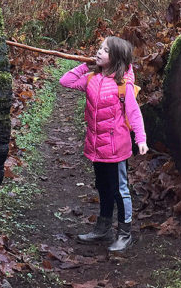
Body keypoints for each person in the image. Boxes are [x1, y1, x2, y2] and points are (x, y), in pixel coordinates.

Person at [59, 36, 148, 253]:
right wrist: (84, 65)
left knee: (120, 190)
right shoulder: (92, 79)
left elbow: (134, 112)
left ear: (116, 58)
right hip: (96, 147)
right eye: (99, 48)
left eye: (104, 50)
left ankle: (125, 234)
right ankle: (103, 227)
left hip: (117, 148)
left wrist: (141, 138)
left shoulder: (123, 84)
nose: (99, 52)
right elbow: (66, 81)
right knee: (103, 187)